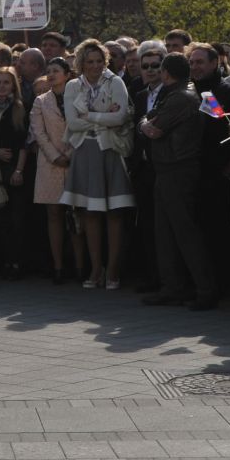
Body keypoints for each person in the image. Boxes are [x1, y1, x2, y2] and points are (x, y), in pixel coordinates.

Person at [139, 53, 215, 309]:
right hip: (167, 170)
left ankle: (205, 290)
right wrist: (145, 123)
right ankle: (173, 287)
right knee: (165, 234)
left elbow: (154, 127)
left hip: (178, 170)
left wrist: (145, 123)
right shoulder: (177, 94)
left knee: (185, 233)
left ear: (166, 73)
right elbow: (148, 121)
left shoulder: (181, 97)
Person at [63, 39, 133, 289]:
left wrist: (90, 116)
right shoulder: (73, 86)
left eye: (99, 61)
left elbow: (121, 117)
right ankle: (96, 269)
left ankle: (113, 270)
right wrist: (104, 118)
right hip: (84, 150)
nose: (94, 66)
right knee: (90, 213)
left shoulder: (115, 82)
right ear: (80, 63)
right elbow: (72, 122)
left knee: (114, 213)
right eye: (89, 62)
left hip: (110, 150)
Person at [30, 59, 79, 285]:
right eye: (48, 71)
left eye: (56, 71)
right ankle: (58, 265)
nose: (51, 74)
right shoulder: (40, 101)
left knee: (77, 214)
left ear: (67, 74)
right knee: (54, 214)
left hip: (76, 159)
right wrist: (55, 155)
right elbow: (38, 133)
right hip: (50, 163)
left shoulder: (78, 94)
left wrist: (70, 153)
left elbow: (82, 124)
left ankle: (80, 265)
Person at [0, 67, 31, 277]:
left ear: (13, 85)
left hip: (15, 168)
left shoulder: (21, 108)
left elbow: (24, 143)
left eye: (6, 82)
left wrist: (19, 170)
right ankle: (1, 262)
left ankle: (17, 262)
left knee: (16, 219)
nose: (2, 86)